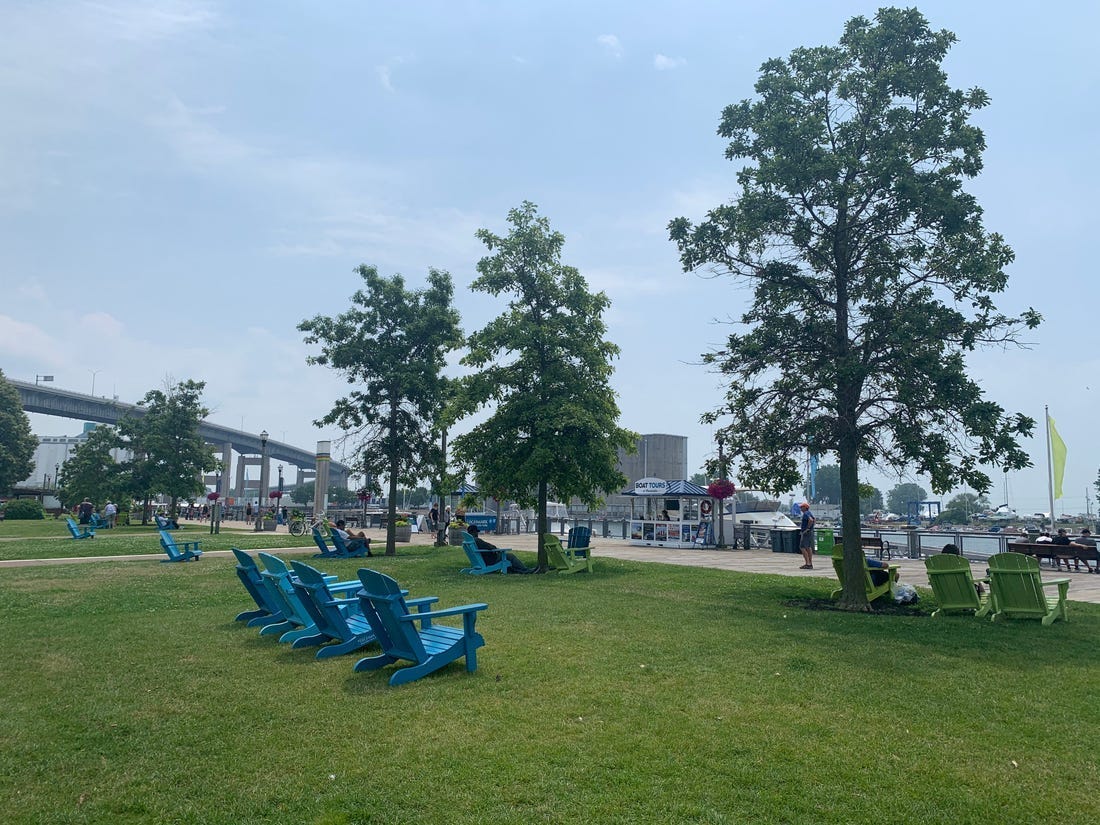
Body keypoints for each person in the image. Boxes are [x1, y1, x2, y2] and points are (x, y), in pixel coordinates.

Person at [466, 525, 534, 574]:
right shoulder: (477, 540)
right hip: (490, 561)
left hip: (482, 560)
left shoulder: (469, 541)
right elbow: (491, 547)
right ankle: (525, 570)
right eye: (476, 532)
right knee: (510, 556)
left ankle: (515, 570)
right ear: (474, 532)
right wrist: (496, 550)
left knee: (507, 557)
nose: (477, 533)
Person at [798, 502, 815, 569]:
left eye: (802, 507)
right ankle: (810, 563)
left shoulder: (806, 513)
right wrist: (811, 527)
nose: (800, 508)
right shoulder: (809, 513)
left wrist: (807, 529)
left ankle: (807, 563)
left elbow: (810, 520)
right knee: (808, 547)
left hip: (806, 533)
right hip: (810, 532)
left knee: (802, 547)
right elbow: (814, 519)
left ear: (805, 507)